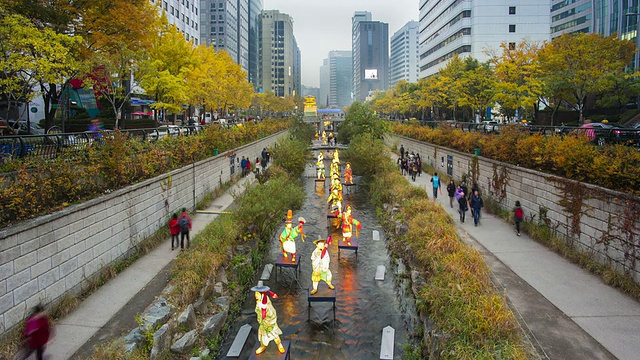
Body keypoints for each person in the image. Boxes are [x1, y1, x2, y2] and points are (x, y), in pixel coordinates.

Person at [251, 281, 285, 355]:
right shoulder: (259, 300)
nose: (256, 296)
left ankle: (279, 345)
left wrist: (264, 315)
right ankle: (263, 346)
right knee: (263, 336)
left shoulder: (265, 301)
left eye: (257, 294)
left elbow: (265, 311)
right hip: (263, 322)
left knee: (275, 334)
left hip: (269, 320)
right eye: (256, 294)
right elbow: (268, 291)